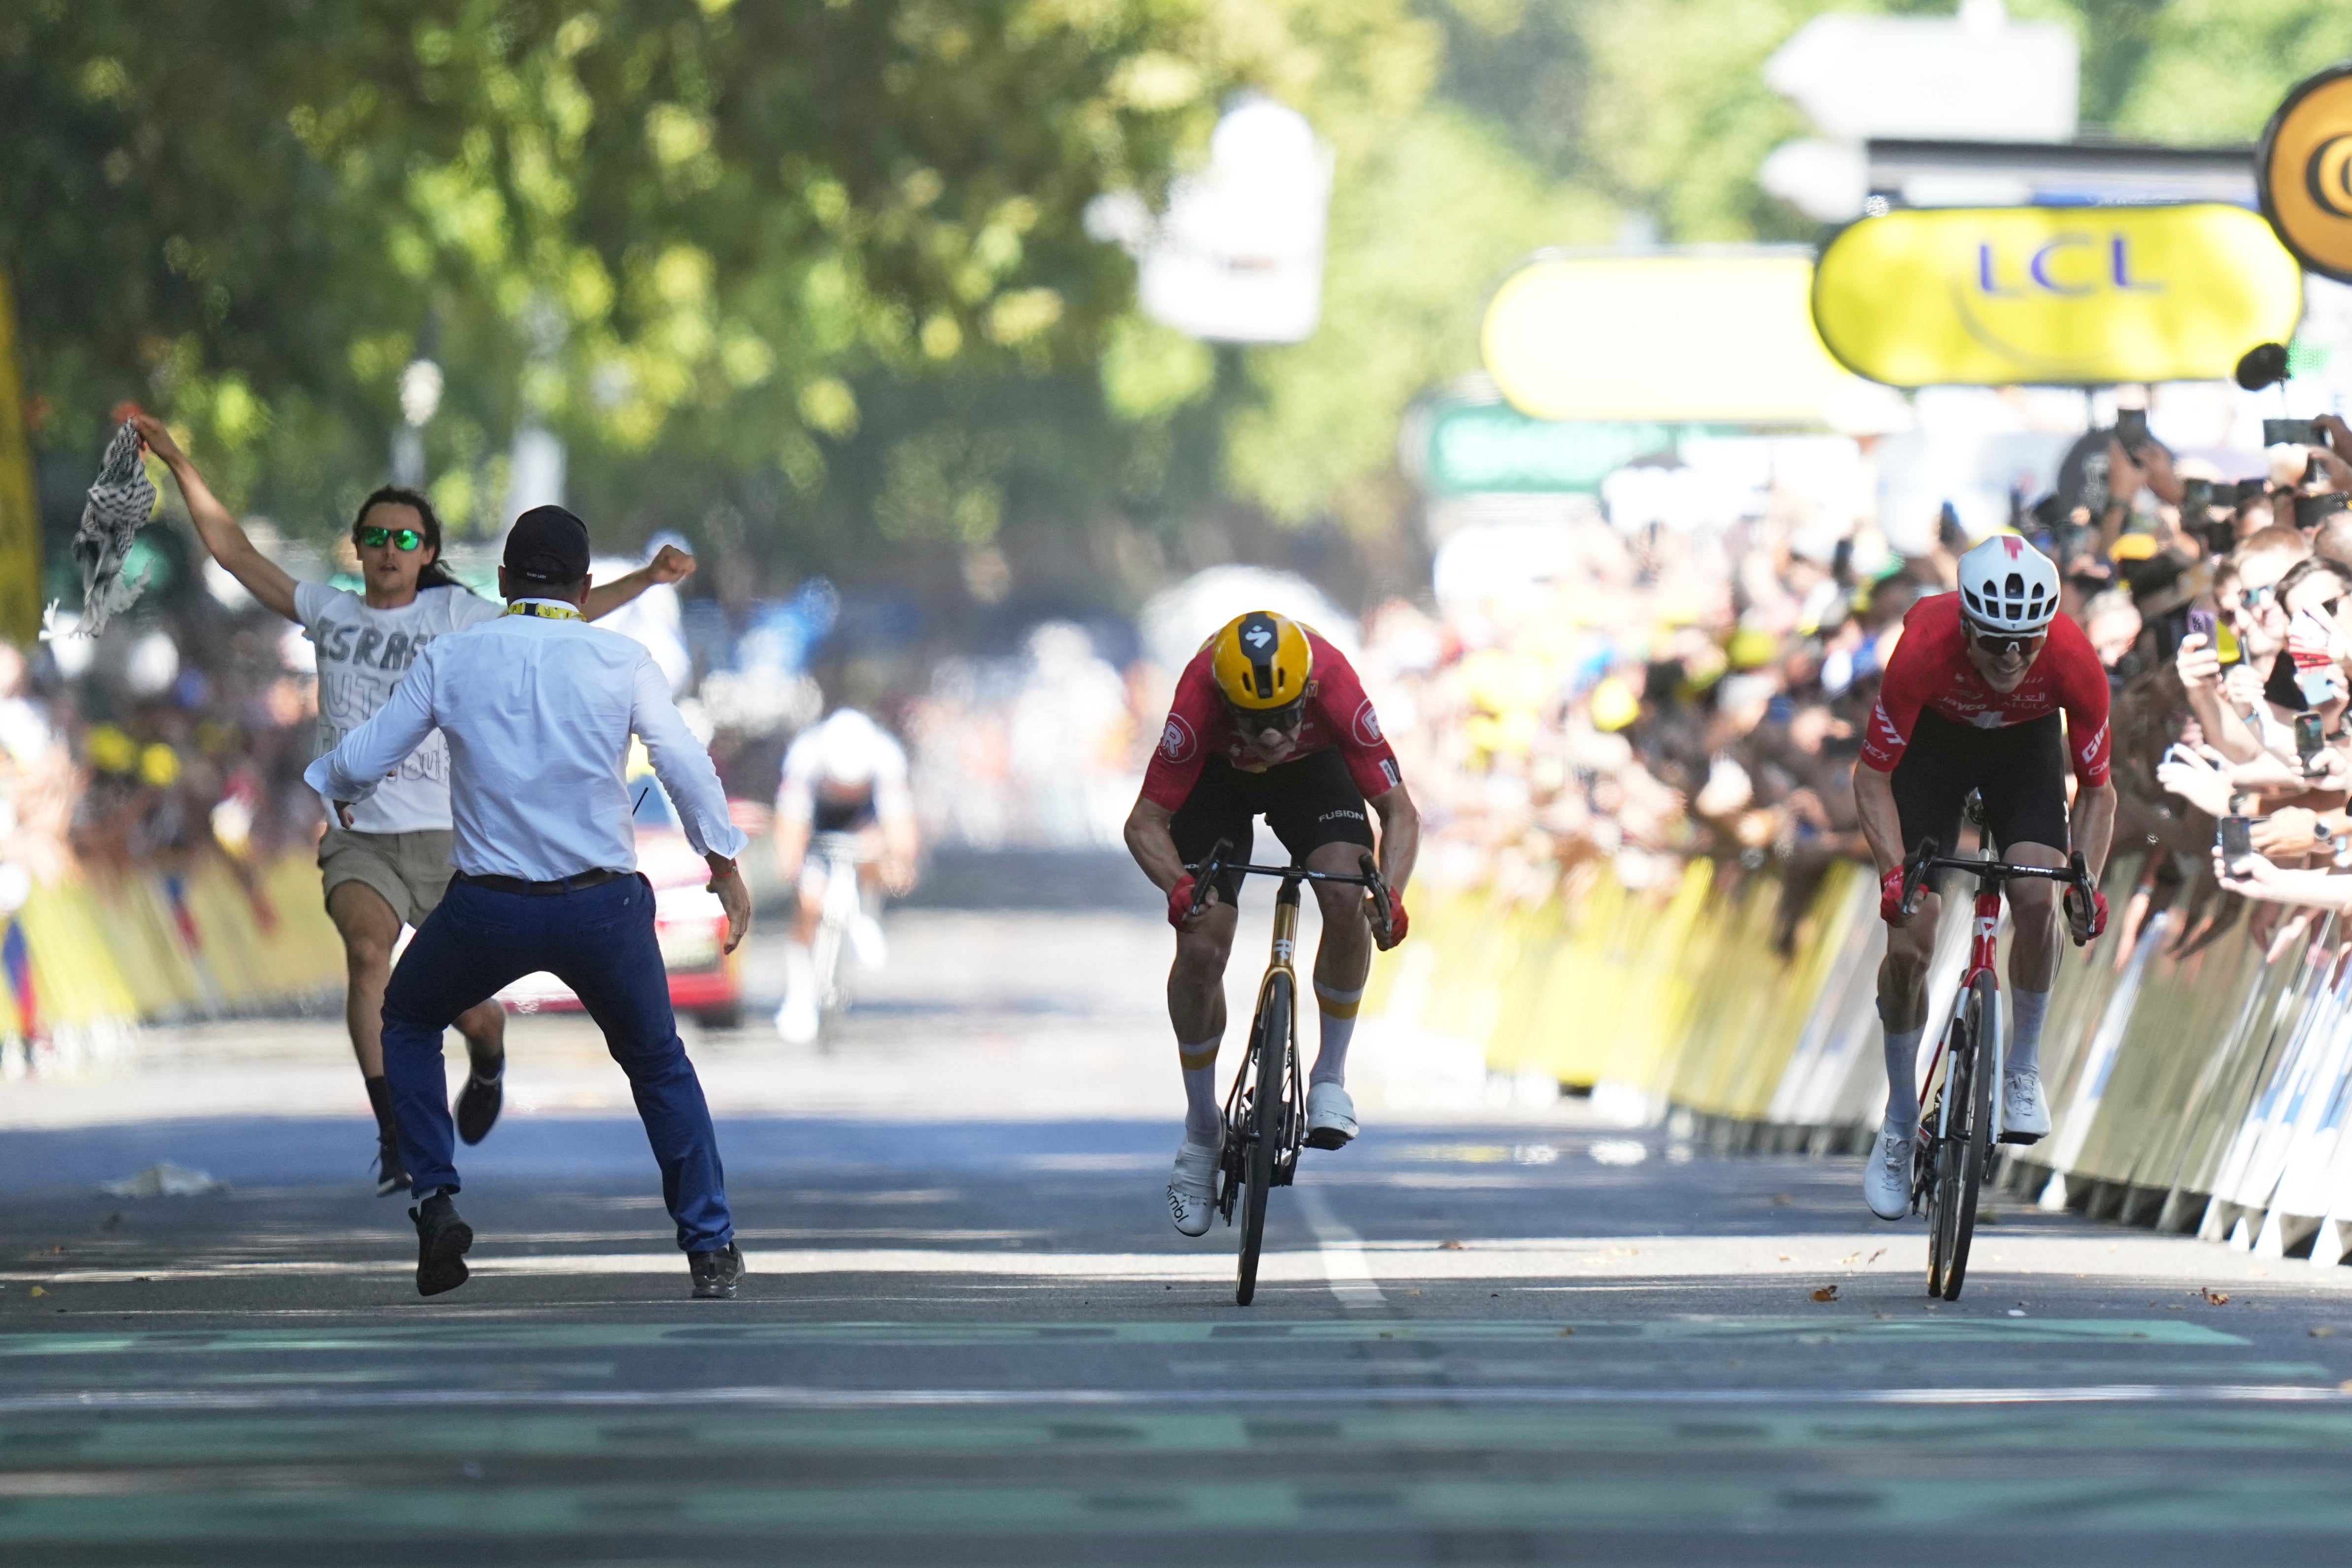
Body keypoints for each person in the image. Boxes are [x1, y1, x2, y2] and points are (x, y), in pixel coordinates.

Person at [136, 415, 694, 1194]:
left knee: (455, 1003)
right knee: (369, 954)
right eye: (376, 538)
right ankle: (395, 1127)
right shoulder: (330, 613)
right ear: (356, 549)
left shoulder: (459, 619)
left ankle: (488, 1037)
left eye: (406, 540)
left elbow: (557, 621)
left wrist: (643, 582)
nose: (389, 551)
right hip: (362, 837)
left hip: (448, 839)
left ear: (428, 554)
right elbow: (233, 554)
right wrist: (178, 461)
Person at [305, 506, 752, 1299]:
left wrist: (338, 785)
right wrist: (721, 863)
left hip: (487, 909)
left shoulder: (455, 657)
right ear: (585, 588)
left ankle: (435, 1196)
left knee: (405, 1019)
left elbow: (371, 749)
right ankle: (710, 1247)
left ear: (504, 582)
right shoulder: (622, 659)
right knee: (658, 1065)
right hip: (602, 909)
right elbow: (682, 761)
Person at [1123, 611, 1418, 1236]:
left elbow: (1398, 809)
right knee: (1202, 945)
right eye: (1257, 725)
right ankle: (1203, 1129)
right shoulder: (1197, 698)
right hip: (1215, 781)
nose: (1275, 737)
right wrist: (1179, 886)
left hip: (1315, 776)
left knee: (1345, 896)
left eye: (1286, 719)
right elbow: (1143, 823)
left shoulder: (1334, 678)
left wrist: (1388, 895)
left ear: (1307, 694)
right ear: (1227, 703)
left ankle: (1330, 1075)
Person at [1852, 535, 2115, 1222]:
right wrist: (1891, 875)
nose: (2010, 657)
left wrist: (2085, 884)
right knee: (1911, 938)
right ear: (1966, 625)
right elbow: (1873, 776)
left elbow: (2098, 790)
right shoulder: (1921, 648)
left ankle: (2022, 1066)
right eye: (1995, 640)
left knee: (2037, 893)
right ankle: (1901, 1120)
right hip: (1933, 747)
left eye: (2025, 642)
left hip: (2023, 751)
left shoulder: (2073, 659)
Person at [770, 708, 918, 1043]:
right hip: (818, 820)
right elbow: (791, 826)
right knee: (808, 903)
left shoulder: (886, 757)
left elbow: (901, 831)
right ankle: (799, 995)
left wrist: (899, 864)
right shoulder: (806, 756)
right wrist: (791, 865)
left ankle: (866, 910)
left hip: (866, 819)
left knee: (876, 849)